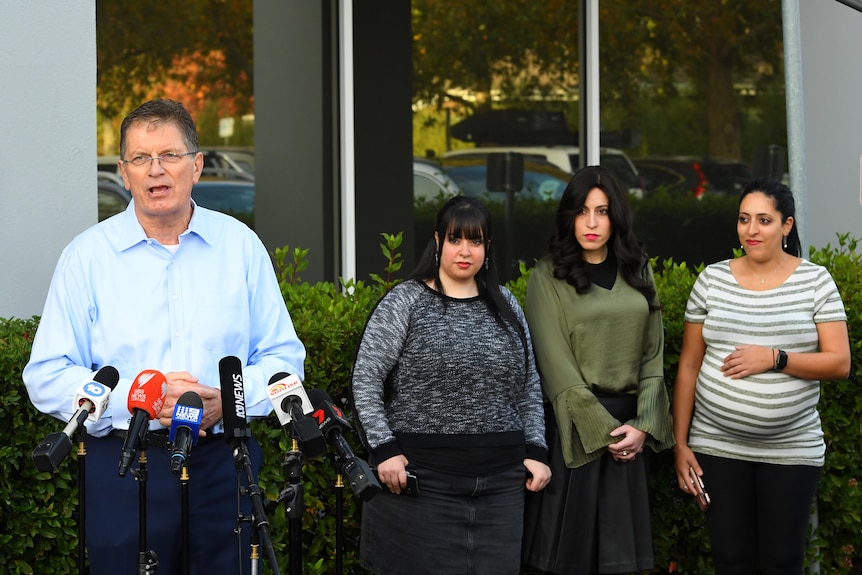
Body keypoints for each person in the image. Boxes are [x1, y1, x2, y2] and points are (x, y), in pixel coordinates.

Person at [23, 98, 306, 575]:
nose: (156, 170)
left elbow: (282, 359)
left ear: (196, 166)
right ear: (123, 172)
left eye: (170, 155)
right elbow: (47, 373)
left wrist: (229, 403)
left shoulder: (239, 248)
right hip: (124, 466)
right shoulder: (87, 258)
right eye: (140, 158)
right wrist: (140, 400)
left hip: (223, 466)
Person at [350, 195, 552, 575]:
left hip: (502, 487)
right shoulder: (406, 302)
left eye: (475, 241)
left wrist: (537, 451)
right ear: (438, 241)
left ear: (487, 248)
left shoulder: (507, 304)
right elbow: (365, 379)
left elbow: (528, 386)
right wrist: (383, 449)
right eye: (456, 239)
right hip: (422, 484)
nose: (465, 251)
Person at [672, 177, 850, 574]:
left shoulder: (815, 281)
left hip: (792, 448)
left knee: (782, 560)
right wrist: (680, 443)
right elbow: (688, 364)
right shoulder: (712, 280)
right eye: (743, 219)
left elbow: (839, 362)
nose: (751, 231)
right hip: (716, 445)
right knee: (730, 559)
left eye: (764, 221)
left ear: (786, 225)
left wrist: (775, 357)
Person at [522, 165, 675, 574]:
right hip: (578, 438)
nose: (591, 223)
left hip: (631, 438)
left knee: (622, 564)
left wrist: (643, 425)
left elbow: (652, 356)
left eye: (603, 211)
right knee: (570, 560)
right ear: (569, 215)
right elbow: (557, 371)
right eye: (582, 211)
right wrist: (606, 434)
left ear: (616, 217)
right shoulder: (546, 277)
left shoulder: (638, 269)